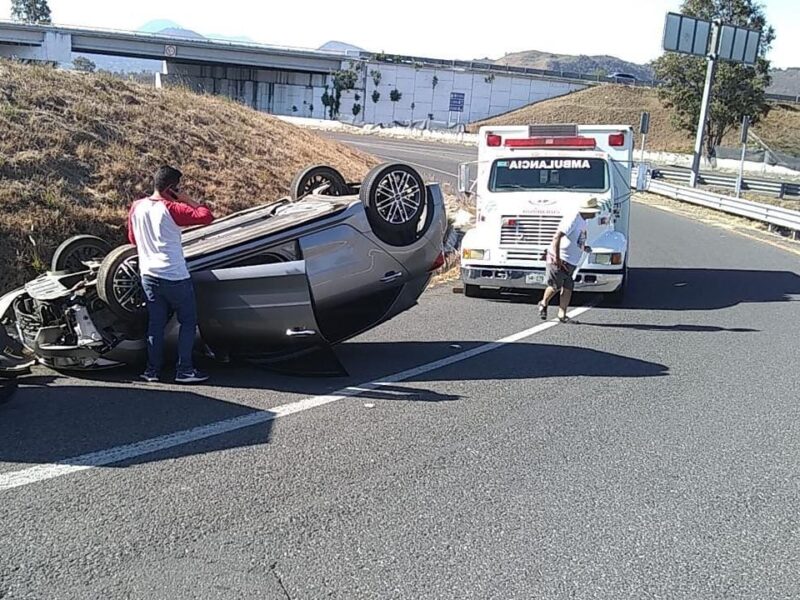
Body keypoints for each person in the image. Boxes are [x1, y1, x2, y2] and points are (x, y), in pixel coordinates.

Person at [128, 166, 215, 383]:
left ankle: (152, 371)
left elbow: (132, 239)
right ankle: (184, 370)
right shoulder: (172, 208)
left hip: (148, 274)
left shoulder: (137, 207)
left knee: (155, 324)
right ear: (171, 188)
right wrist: (188, 199)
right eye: (179, 188)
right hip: (174, 275)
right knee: (188, 321)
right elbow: (206, 216)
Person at [538, 197, 600, 323]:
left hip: (572, 260)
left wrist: (584, 247)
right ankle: (544, 303)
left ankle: (562, 313)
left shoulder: (584, 221)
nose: (595, 213)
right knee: (555, 285)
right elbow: (557, 237)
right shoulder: (573, 219)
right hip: (560, 258)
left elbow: (578, 239)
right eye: (593, 211)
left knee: (568, 286)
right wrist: (557, 258)